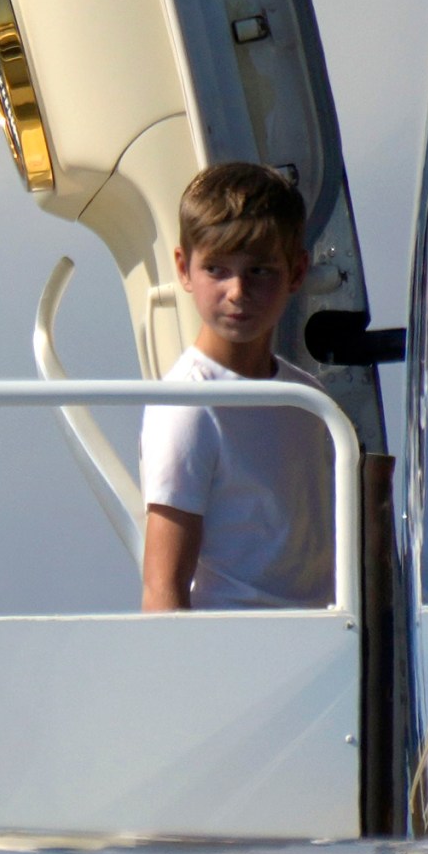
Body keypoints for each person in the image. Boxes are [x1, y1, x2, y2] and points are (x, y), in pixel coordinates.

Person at [139, 162, 333, 612]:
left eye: (260, 271)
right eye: (217, 269)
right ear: (184, 269)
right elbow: (162, 586)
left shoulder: (311, 402)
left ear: (297, 271)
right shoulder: (188, 406)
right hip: (236, 654)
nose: (237, 290)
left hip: (324, 649)